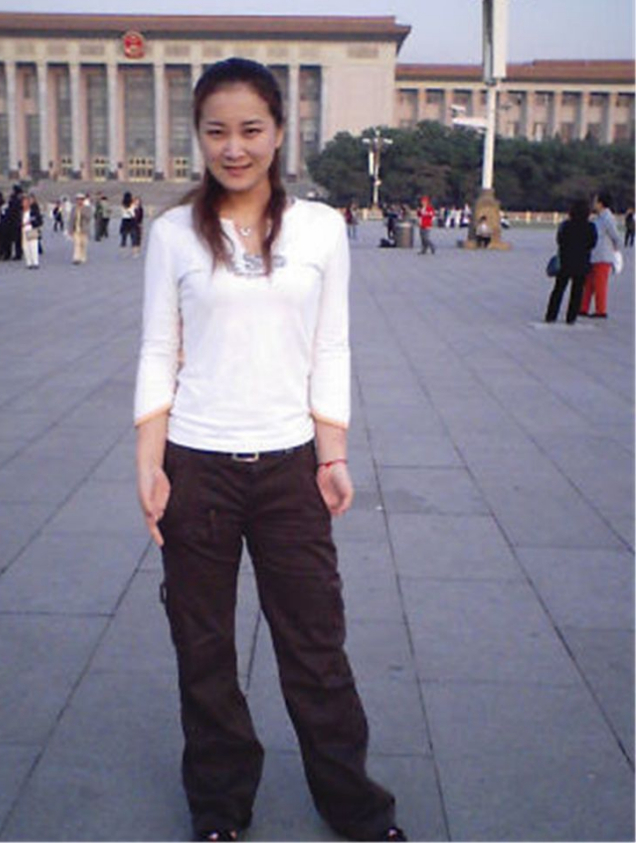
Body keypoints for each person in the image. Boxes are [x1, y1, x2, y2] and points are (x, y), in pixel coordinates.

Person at [134, 57, 407, 843]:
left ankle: (353, 803)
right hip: (197, 466)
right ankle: (220, 804)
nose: (234, 147)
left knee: (315, 646)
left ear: (280, 132)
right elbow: (159, 348)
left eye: (251, 129)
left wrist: (333, 453)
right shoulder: (173, 233)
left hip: (289, 468)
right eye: (216, 131)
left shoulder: (320, 229)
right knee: (203, 648)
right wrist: (149, 462)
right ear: (198, 137)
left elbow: (332, 344)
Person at [544, 198, 597, 324]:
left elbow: (559, 240)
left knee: (559, 289)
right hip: (582, 261)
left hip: (565, 261)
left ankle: (551, 315)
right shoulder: (591, 227)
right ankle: (571, 317)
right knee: (577, 291)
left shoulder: (566, 225)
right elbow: (592, 243)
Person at [579, 190, 621, 319]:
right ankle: (583, 308)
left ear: (601, 203)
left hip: (603, 256)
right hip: (593, 255)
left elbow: (615, 236)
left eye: (596, 201)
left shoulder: (608, 218)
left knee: (600, 284)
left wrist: (616, 249)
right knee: (588, 284)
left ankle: (601, 310)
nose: (593, 203)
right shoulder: (598, 218)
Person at [69, 192, 92, 264]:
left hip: (84, 229)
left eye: (81, 200)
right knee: (77, 243)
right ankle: (76, 258)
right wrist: (70, 229)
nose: (79, 201)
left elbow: (89, 217)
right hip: (76, 229)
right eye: (78, 200)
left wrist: (82, 212)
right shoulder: (74, 208)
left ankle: (83, 257)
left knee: (83, 244)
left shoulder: (87, 208)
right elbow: (71, 219)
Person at [20, 194, 41, 269]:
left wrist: (30, 223)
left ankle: (35, 262)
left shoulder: (33, 211)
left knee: (33, 246)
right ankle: (29, 262)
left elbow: (38, 220)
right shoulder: (21, 212)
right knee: (25, 246)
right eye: (23, 202)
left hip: (31, 229)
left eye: (26, 202)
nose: (24, 204)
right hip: (23, 230)